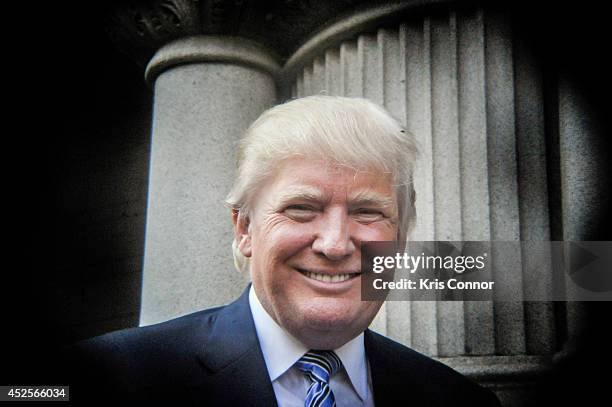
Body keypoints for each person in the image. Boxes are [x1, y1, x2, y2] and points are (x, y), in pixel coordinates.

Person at [66, 96, 500, 406]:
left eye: (368, 212)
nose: (334, 244)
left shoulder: (457, 399)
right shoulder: (106, 378)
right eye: (301, 209)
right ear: (244, 229)